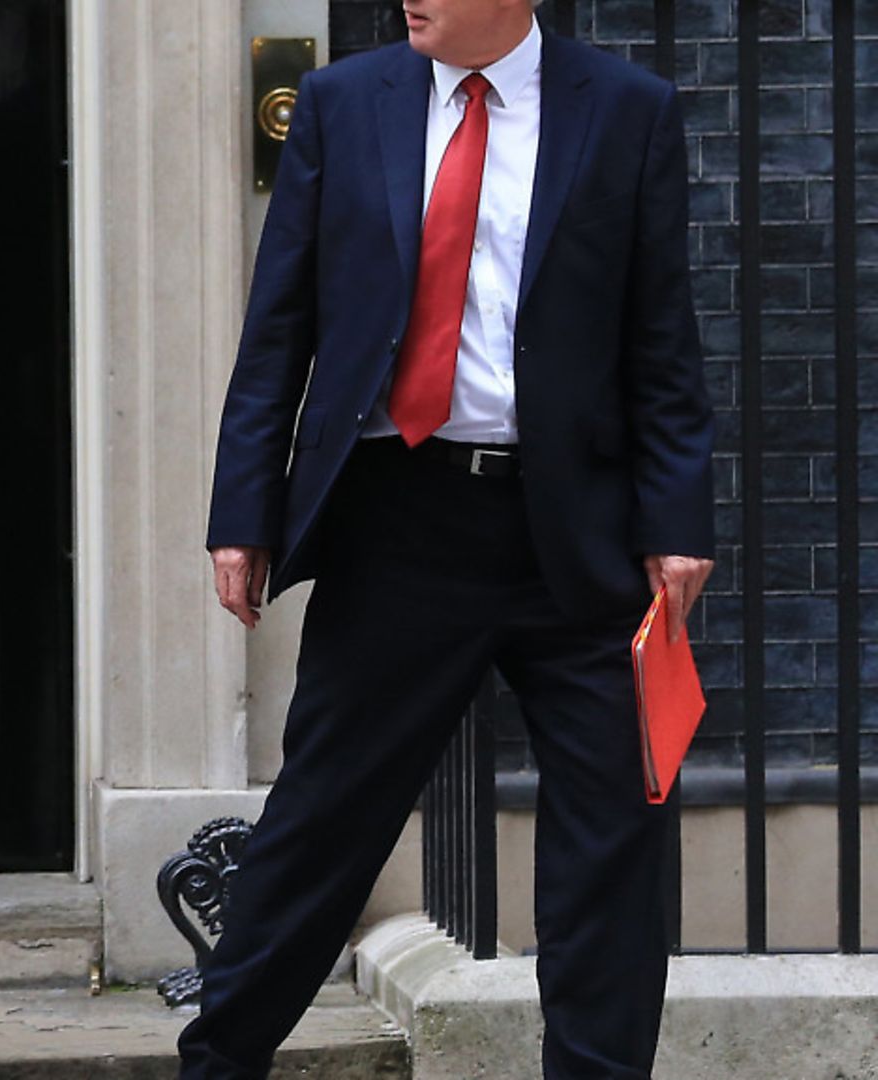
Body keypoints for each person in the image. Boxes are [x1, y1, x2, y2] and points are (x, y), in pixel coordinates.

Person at [178, 0, 714, 1076]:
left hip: (580, 536)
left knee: (614, 839)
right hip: (401, 520)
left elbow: (661, 335)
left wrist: (676, 522)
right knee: (321, 824)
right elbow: (278, 324)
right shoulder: (341, 104)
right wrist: (246, 511)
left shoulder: (627, 113)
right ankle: (219, 1061)